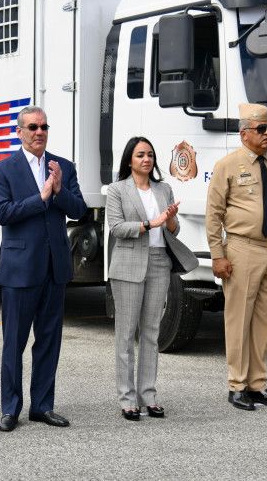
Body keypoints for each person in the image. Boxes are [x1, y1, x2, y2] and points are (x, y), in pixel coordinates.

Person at [0, 105, 87, 432]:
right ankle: (10, 409)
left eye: (44, 127)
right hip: (19, 270)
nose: (39, 132)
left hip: (54, 268)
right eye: (32, 127)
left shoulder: (63, 167)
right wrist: (41, 197)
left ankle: (42, 406)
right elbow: (3, 212)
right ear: (19, 132)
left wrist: (58, 192)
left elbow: (79, 209)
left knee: (48, 341)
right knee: (13, 343)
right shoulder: (2, 170)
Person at [205, 103, 267, 411]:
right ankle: (236, 385)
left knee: (265, 320)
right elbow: (214, 214)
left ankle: (258, 384)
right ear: (244, 133)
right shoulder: (228, 165)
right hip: (243, 249)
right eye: (261, 129)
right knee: (238, 320)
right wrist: (218, 256)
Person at [106, 137, 198, 421]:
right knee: (126, 333)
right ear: (129, 160)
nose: (146, 159)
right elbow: (117, 227)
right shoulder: (117, 189)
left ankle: (149, 395)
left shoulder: (164, 188)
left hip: (159, 261)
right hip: (129, 262)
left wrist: (169, 219)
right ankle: (127, 399)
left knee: (151, 333)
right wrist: (149, 224)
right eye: (140, 155)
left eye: (149, 155)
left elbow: (174, 229)